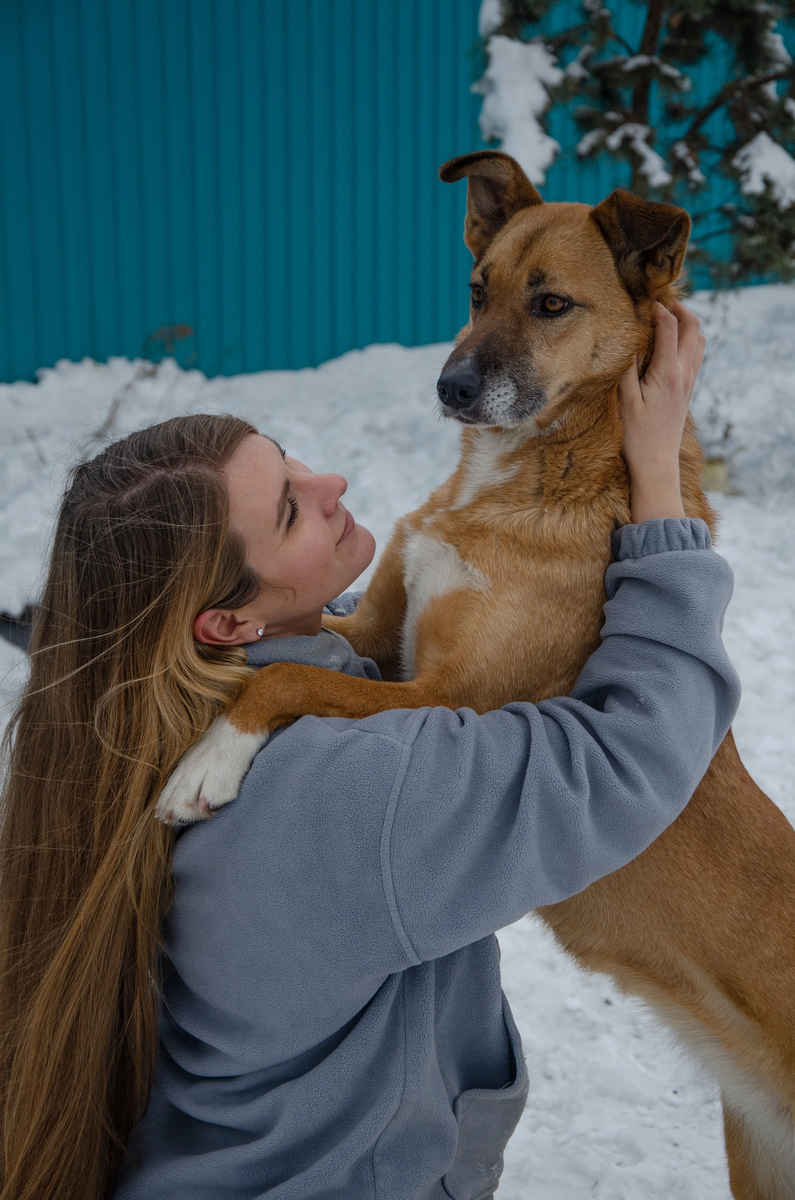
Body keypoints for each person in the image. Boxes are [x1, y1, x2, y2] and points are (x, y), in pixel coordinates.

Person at [0, 304, 739, 1200]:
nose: (332, 482)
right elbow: (629, 757)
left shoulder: (136, 727)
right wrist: (658, 483)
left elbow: (363, 653)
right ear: (227, 623)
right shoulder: (352, 797)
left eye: (290, 459)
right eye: (289, 510)